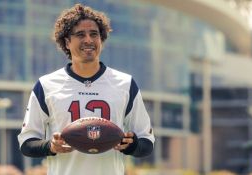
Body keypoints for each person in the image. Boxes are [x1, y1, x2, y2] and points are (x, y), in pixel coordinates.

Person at [18, 4, 155, 175]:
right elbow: (26, 143)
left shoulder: (125, 83)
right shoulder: (46, 84)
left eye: (94, 34)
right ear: (67, 42)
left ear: (101, 40)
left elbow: (147, 143)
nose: (88, 40)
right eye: (80, 34)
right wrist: (50, 146)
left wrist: (132, 145)